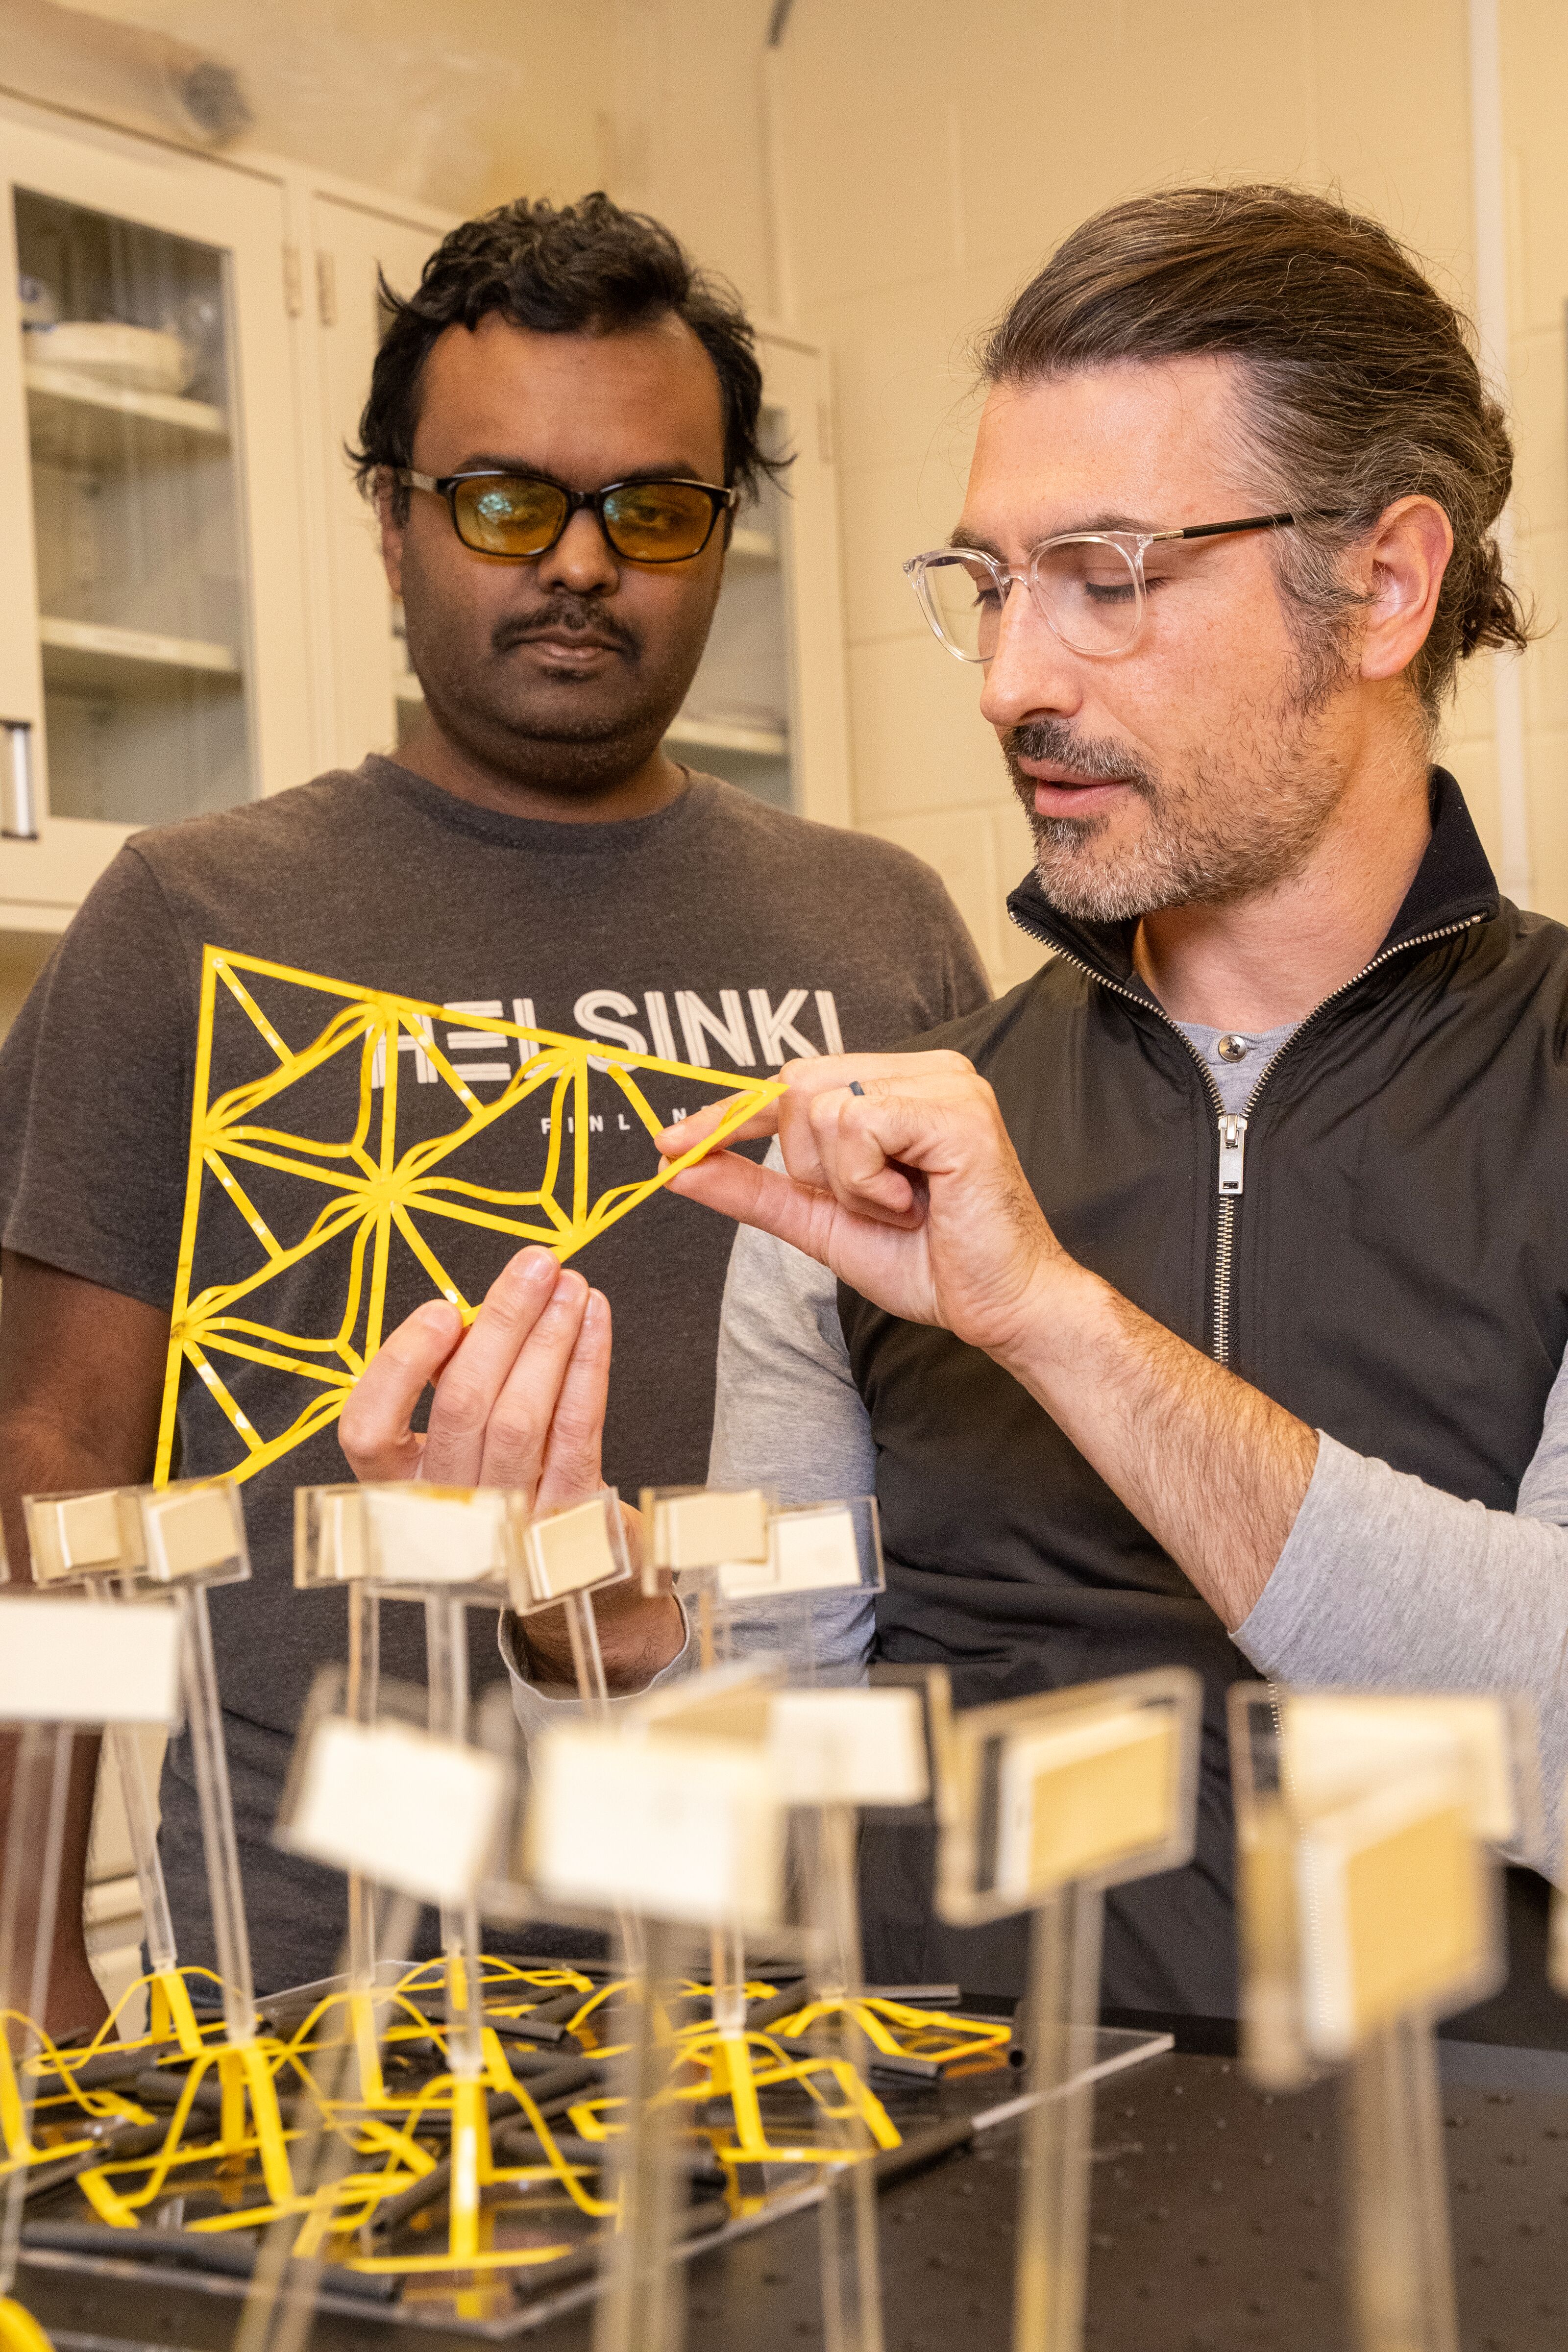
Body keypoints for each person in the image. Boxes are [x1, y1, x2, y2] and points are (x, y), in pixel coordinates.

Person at [356, 183, 1568, 2024]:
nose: (1013, 680)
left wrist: (1053, 1324)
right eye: (992, 585)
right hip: (956, 2205)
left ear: (1387, 583)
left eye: (1111, 577)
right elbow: (749, 1840)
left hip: (1462, 2225)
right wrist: (588, 1616)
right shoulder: (886, 1161)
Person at [0, 192, 987, 2024]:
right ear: (393, 524)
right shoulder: (194, 916)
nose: (583, 564)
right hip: (339, 1976)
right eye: (506, 500)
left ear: (716, 540)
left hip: (795, 1948)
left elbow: (963, 1470)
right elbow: (45, 1482)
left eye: (655, 509)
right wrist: (27, 1964)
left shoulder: (881, 927)